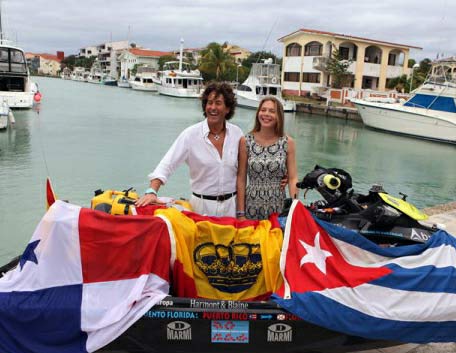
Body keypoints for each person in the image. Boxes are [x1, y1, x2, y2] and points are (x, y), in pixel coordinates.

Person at [135, 82, 243, 217]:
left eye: (218, 103)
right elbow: (167, 164)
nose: (213, 107)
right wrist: (152, 191)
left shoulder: (237, 134)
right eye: (209, 103)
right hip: (201, 208)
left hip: (231, 207)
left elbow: (244, 172)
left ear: (227, 108)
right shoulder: (190, 135)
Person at [236, 96, 298, 220]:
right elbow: (241, 179)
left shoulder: (287, 142)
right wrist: (240, 213)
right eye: (263, 110)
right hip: (251, 206)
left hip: (278, 206)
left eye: (272, 111)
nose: (266, 114)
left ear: (279, 116)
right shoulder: (246, 141)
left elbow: (292, 178)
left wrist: (294, 208)